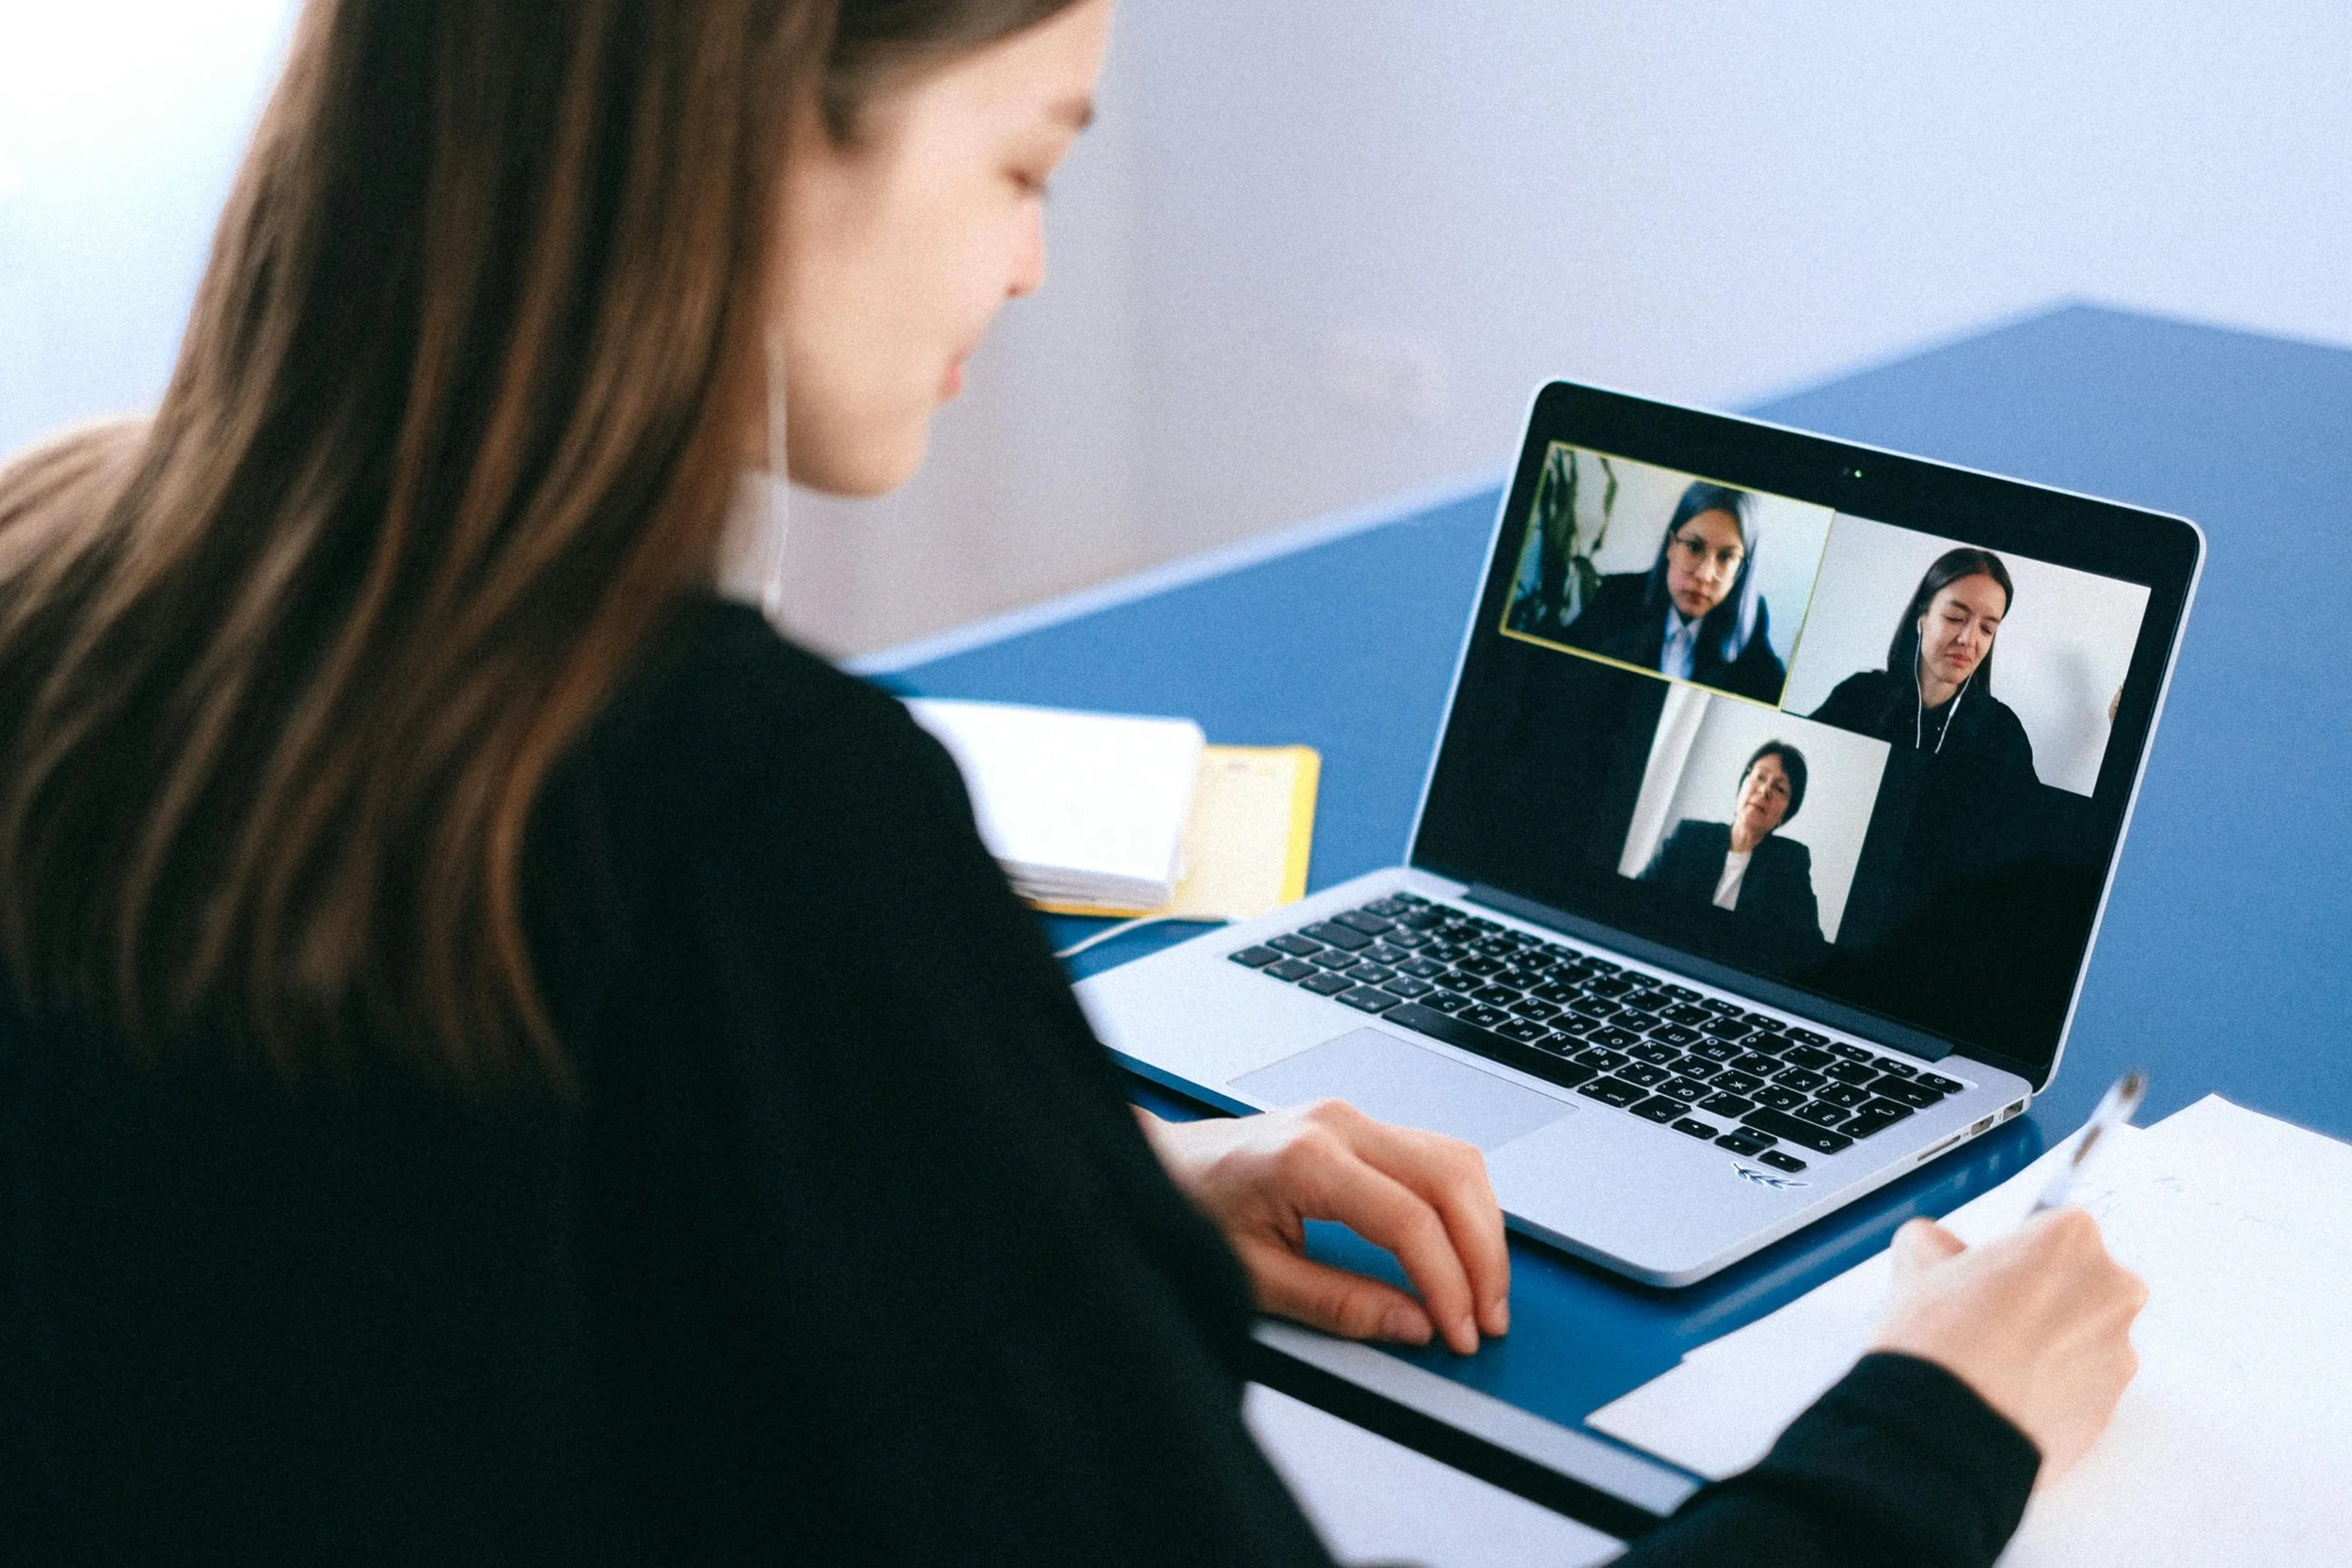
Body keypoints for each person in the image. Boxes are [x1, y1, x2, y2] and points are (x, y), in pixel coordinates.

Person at [0, 2, 2146, 1562]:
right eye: (1025, 158)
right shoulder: (758, 818)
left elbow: (442, 1235)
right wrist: (1935, 1427)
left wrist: (1074, 1198)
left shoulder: (58, 576)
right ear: (758, 121)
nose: (1031, 263)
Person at [1808, 547, 2037, 783]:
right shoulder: (1858, 697)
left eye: (1987, 629)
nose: (1968, 639)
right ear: (1922, 616)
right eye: (1954, 617)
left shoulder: (2001, 732)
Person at [1563, 482, 1788, 703]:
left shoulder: (1750, 623)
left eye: (1726, 557)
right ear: (1671, 545)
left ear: (1741, 570)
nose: (1704, 574)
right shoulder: (1618, 596)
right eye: (1694, 547)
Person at [1642, 741, 1823, 947]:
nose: (1764, 790)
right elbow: (1637, 898)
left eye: (1780, 788)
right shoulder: (1690, 836)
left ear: (1783, 816)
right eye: (1760, 777)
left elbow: (1808, 945)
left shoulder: (1789, 863)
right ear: (1741, 786)